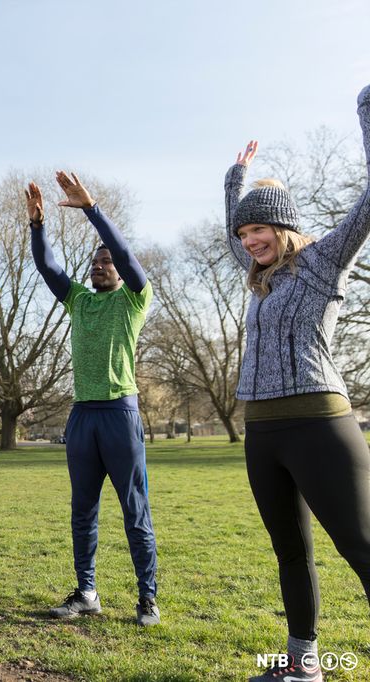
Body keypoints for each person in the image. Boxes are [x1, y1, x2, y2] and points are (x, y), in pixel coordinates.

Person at [227, 85, 370, 682]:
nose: (249, 242)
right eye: (242, 235)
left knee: (361, 550)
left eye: (258, 230)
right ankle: (303, 666)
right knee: (292, 552)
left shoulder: (322, 261)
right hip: (262, 434)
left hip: (319, 426)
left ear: (283, 228)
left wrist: (366, 111)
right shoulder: (258, 277)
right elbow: (229, 224)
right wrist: (236, 176)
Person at [26, 171, 160, 627]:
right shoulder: (79, 300)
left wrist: (90, 209)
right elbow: (48, 268)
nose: (99, 265)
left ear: (120, 270)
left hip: (121, 413)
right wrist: (37, 225)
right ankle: (87, 592)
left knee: (134, 510)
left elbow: (122, 250)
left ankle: (147, 598)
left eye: (106, 261)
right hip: (82, 416)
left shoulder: (135, 301)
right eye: (95, 262)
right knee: (82, 511)